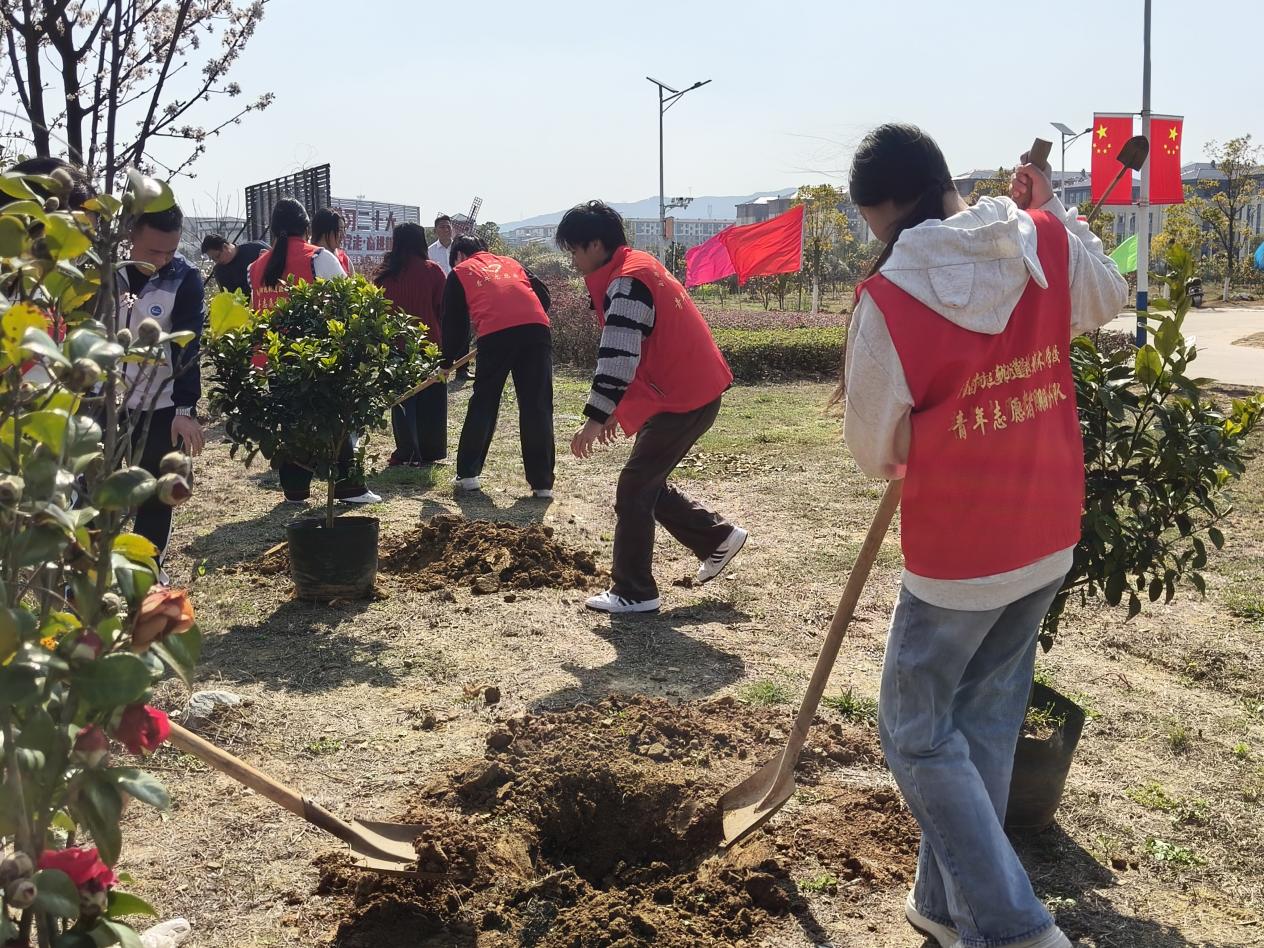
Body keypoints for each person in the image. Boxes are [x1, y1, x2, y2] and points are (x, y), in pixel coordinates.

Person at [842, 124, 1127, 948]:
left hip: (960, 554)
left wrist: (922, 435)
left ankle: (1010, 928)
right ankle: (944, 904)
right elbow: (1105, 296)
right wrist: (1055, 213)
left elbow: (874, 450)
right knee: (986, 721)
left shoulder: (890, 296)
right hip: (1046, 524)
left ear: (884, 208)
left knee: (914, 733)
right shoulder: (1037, 239)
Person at [555, 201, 746, 615]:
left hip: (683, 398)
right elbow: (641, 351)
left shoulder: (627, 282)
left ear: (595, 244)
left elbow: (619, 357)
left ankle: (635, 591)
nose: (572, 260)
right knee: (646, 483)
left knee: (635, 487)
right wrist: (615, 410)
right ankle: (716, 538)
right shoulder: (636, 266)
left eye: (574, 249)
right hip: (688, 391)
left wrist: (595, 418)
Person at [249, 198, 380, 505]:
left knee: (290, 422)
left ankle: (295, 490)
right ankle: (349, 488)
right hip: (315, 358)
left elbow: (254, 313)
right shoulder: (318, 257)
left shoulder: (254, 267)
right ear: (307, 228)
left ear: (273, 229)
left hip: (274, 359)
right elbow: (348, 303)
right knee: (333, 420)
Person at [119, 204, 206, 563]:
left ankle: (146, 572)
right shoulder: (104, 270)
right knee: (91, 488)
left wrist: (184, 409)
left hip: (160, 402)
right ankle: (85, 576)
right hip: (103, 399)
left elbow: (188, 345)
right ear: (130, 234)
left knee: (157, 492)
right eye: (153, 251)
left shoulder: (184, 278)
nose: (161, 260)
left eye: (170, 251)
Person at [441, 234, 554, 498]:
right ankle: (542, 484)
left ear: (459, 256)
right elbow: (543, 296)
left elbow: (454, 323)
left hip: (495, 334)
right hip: (537, 331)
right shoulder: (511, 262)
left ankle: (468, 475)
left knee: (485, 401)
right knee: (537, 404)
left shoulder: (460, 271)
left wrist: (446, 361)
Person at [374, 222, 448, 466]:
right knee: (432, 400)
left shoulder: (384, 276)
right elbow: (443, 310)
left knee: (403, 401)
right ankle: (431, 451)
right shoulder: (433, 271)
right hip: (429, 346)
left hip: (396, 347)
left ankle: (406, 451)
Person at [200, 234, 269, 300]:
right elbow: (229, 298)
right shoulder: (219, 271)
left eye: (218, 256)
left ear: (225, 247)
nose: (217, 261)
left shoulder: (256, 248)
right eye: (213, 259)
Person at [313, 208, 355, 276]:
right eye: (340, 230)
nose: (343, 235)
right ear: (325, 230)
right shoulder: (310, 258)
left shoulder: (345, 260)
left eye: (344, 230)